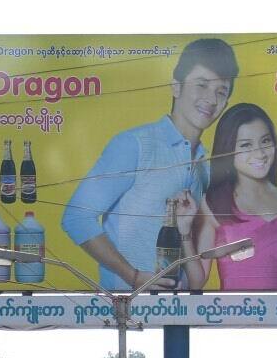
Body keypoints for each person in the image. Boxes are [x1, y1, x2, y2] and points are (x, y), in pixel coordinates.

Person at [62, 38, 239, 291]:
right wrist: (133, 276)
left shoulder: (204, 166)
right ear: (176, 87)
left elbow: (195, 258)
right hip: (126, 305)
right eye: (201, 85)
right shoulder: (134, 144)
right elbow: (76, 217)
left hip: (179, 306)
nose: (211, 99)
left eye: (221, 91)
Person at [185, 102, 277, 291]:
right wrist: (184, 233)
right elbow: (196, 282)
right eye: (246, 145)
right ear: (228, 151)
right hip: (234, 310)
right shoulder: (213, 206)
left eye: (265, 141)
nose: (260, 153)